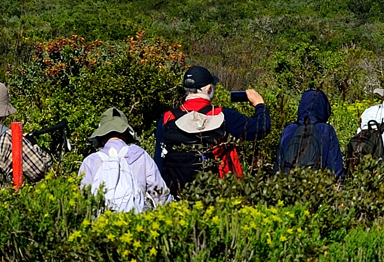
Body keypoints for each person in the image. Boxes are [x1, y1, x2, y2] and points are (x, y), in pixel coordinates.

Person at [153, 67, 271, 195]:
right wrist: (259, 104)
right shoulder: (223, 115)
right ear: (209, 89)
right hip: (217, 195)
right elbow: (262, 127)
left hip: (175, 194)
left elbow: (158, 160)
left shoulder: (167, 118)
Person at [77, 109, 168, 213]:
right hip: (135, 219)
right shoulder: (140, 155)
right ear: (126, 133)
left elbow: (82, 201)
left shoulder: (90, 161)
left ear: (101, 136)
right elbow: (160, 194)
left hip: (102, 221)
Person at [276, 89, 344, 176]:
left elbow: (278, 166)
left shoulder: (288, 130)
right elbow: (335, 168)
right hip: (316, 182)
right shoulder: (326, 130)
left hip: (288, 182)